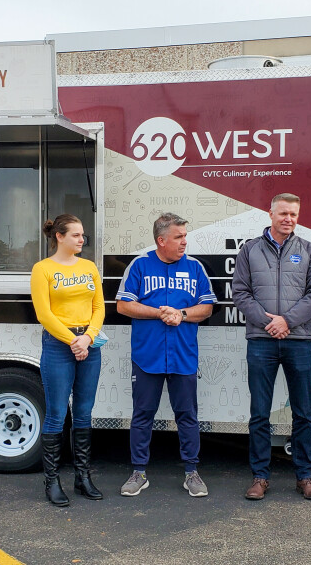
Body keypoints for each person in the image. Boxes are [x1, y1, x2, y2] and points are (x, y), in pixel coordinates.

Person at [232, 193, 311, 501]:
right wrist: (268, 322)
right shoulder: (249, 251)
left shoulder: (309, 251)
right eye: (283, 213)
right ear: (270, 214)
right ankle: (260, 477)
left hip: (298, 342)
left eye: (294, 214)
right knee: (259, 412)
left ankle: (305, 477)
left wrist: (287, 321)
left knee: (303, 413)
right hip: (261, 342)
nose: (289, 218)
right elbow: (240, 293)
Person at [115, 213, 216, 498]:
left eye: (185, 236)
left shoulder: (195, 268)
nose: (185, 241)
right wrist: (160, 312)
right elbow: (123, 305)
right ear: (161, 240)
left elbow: (206, 307)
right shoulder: (140, 265)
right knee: (142, 415)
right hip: (147, 355)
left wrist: (181, 314)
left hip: (183, 355)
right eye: (178, 237)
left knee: (187, 415)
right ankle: (138, 472)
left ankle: (191, 472)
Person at [30, 214, 105, 507]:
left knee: (84, 412)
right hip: (59, 346)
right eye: (76, 235)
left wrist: (87, 337)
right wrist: (73, 341)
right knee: (57, 414)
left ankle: (82, 477)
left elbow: (98, 306)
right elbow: (44, 314)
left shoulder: (88, 267)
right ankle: (52, 481)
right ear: (59, 237)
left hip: (90, 343)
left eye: (83, 235)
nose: (81, 240)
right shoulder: (42, 269)